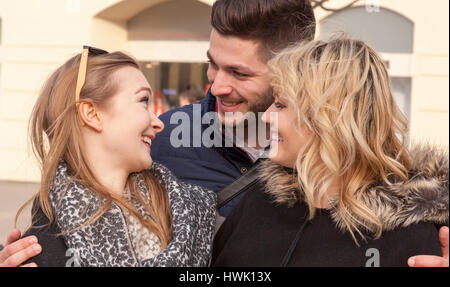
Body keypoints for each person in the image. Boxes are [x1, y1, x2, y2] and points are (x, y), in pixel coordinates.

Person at [1, 0, 448, 267]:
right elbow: (86, 189)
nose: (216, 86)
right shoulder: (166, 140)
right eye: (212, 64)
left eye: (238, 71)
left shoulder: (402, 206)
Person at [212, 38, 448, 266]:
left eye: (281, 105)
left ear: (329, 120)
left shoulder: (412, 237)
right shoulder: (260, 201)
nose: (266, 116)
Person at [7, 47, 216, 267]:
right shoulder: (38, 247)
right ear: (92, 114)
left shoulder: (191, 210)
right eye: (143, 100)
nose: (159, 123)